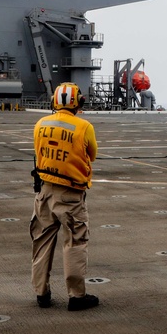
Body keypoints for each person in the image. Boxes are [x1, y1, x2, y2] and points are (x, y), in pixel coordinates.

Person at [30, 82, 100, 311]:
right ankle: (76, 296)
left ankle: (41, 294)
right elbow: (93, 154)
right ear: (78, 102)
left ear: (54, 102)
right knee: (75, 242)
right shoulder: (84, 126)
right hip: (70, 195)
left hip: (44, 192)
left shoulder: (40, 124)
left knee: (41, 242)